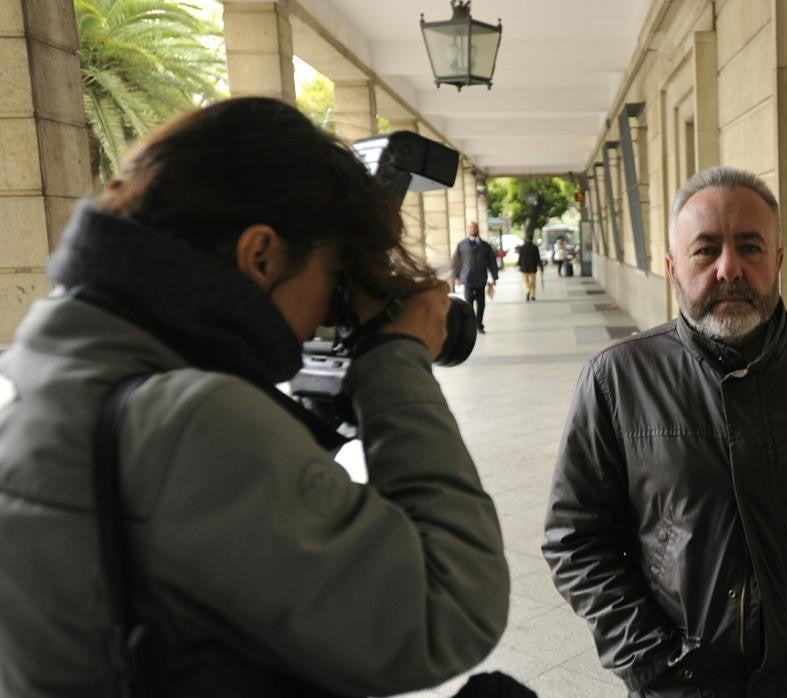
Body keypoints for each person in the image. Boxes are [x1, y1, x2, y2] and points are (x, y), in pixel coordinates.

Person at [0, 98, 510, 696]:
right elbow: (450, 607)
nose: (327, 308)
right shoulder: (189, 422)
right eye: (332, 275)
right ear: (261, 254)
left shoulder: (38, 367)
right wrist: (396, 363)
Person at [543, 166, 787, 697]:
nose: (729, 268)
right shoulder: (616, 380)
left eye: (750, 248)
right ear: (672, 268)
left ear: (777, 260)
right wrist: (653, 661)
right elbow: (575, 539)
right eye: (706, 251)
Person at [451, 222, 498, 333]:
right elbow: (456, 262)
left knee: (481, 303)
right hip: (467, 279)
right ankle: (472, 325)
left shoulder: (485, 246)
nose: (473, 229)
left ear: (478, 229)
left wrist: (494, 276)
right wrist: (456, 276)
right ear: (468, 229)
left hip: (481, 279)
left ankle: (479, 325)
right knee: (468, 303)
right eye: (471, 227)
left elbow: (492, 262)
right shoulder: (461, 245)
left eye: (475, 227)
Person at [517, 234, 541, 302]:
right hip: (533, 267)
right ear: (532, 239)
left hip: (524, 267)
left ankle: (527, 290)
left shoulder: (522, 247)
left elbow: (520, 258)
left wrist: (519, 265)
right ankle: (532, 295)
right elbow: (538, 258)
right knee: (532, 282)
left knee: (525, 281)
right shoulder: (535, 247)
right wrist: (541, 266)